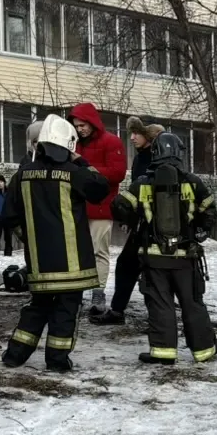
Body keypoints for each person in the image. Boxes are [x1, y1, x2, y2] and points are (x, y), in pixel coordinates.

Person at [0, 115, 109, 372]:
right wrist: (81, 161)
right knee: (65, 310)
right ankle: (57, 361)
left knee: (37, 307)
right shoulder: (73, 172)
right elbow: (100, 188)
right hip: (72, 264)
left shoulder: (22, 174)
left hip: (39, 262)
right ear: (68, 146)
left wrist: (28, 237)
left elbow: (8, 215)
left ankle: (14, 355)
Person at [113, 132, 217, 364]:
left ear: (154, 154)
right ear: (180, 153)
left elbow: (119, 207)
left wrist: (136, 221)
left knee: (159, 303)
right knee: (192, 302)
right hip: (185, 257)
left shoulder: (143, 183)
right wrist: (202, 230)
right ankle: (205, 350)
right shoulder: (193, 182)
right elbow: (209, 208)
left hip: (153, 258)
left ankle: (163, 352)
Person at [91, 118, 164, 326]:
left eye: (136, 133)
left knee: (130, 265)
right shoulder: (143, 156)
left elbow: (143, 194)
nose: (131, 137)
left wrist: (132, 218)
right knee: (133, 266)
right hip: (144, 224)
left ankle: (120, 312)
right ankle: (128, 311)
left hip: (149, 226)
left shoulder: (151, 159)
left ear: (148, 136)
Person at [67, 102, 127, 316]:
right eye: (76, 125)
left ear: (92, 122)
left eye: (83, 125)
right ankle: (76, 293)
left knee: (98, 251)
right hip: (77, 207)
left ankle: (98, 293)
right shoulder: (74, 143)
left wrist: (85, 166)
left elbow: (117, 172)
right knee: (76, 253)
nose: (79, 129)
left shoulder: (112, 142)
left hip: (101, 207)